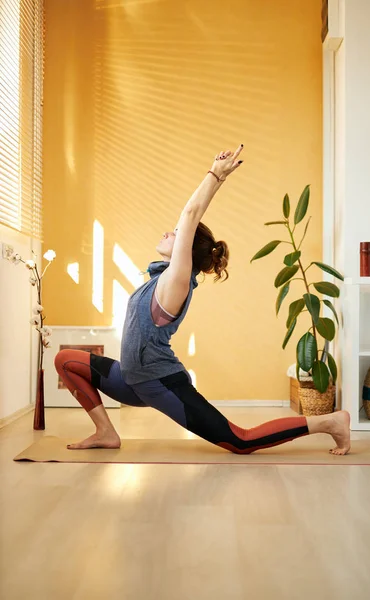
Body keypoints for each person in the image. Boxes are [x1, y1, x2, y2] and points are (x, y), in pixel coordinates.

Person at [55, 145, 351, 456]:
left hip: (161, 383)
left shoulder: (177, 281)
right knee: (66, 360)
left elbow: (191, 214)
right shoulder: (159, 280)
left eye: (176, 234)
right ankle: (105, 431)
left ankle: (329, 423)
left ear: (187, 247)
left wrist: (215, 175)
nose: (169, 233)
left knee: (241, 440)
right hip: (130, 380)